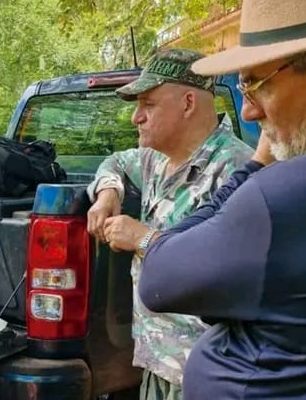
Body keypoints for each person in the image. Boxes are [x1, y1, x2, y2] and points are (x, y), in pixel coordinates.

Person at [138, 0, 306, 398]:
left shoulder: (280, 196)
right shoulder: (151, 162)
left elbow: (159, 279)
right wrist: (107, 186)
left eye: (257, 83)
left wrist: (256, 166)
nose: (248, 112)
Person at [85, 49, 253, 399]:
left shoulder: (236, 171)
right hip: (157, 361)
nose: (136, 117)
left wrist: (144, 239)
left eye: (148, 104)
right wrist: (107, 192)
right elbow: (116, 162)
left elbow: (233, 274)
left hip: (205, 372)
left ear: (188, 103)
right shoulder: (155, 161)